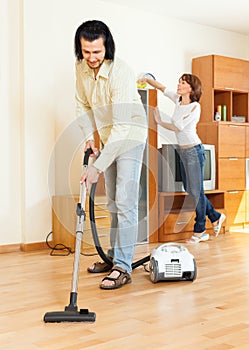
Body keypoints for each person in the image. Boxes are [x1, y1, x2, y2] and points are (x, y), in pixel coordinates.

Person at [74, 20, 147, 289]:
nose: (91, 58)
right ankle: (115, 256)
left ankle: (123, 267)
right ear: (80, 49)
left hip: (129, 136)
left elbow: (123, 126)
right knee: (114, 201)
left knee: (126, 201)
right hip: (108, 135)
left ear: (107, 48)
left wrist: (97, 167)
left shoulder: (122, 73)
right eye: (86, 52)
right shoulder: (81, 68)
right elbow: (81, 103)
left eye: (97, 52)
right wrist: (89, 136)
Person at [137, 74, 226, 243]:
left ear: (191, 88)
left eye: (183, 82)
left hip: (194, 151)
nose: (179, 84)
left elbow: (177, 127)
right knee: (190, 188)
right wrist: (147, 80)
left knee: (196, 192)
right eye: (179, 81)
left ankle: (199, 230)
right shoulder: (178, 99)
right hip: (183, 152)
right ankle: (215, 216)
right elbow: (162, 88)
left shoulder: (194, 107)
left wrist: (159, 121)